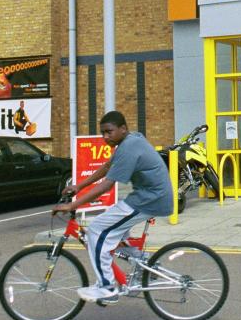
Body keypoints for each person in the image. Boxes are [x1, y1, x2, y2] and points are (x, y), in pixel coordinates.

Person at [53, 111, 172, 303]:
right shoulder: (130, 141)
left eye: (109, 132)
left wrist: (73, 205)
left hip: (149, 200)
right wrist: (79, 186)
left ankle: (107, 287)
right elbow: (108, 167)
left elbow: (107, 185)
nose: (105, 137)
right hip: (148, 196)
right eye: (103, 133)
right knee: (115, 230)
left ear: (123, 129)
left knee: (96, 230)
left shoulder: (128, 148)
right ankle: (146, 264)